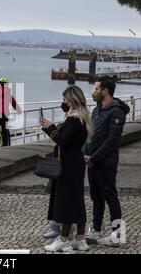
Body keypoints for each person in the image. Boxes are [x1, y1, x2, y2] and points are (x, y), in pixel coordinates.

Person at [40, 86, 92, 252]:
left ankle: (63, 239)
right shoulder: (82, 118)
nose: (63, 103)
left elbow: (63, 141)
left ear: (72, 100)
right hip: (75, 162)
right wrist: (52, 127)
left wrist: (50, 128)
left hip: (69, 164)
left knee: (67, 201)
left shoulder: (74, 119)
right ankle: (80, 239)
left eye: (64, 100)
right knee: (77, 200)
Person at [84, 76, 129, 247]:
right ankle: (96, 229)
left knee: (111, 197)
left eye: (96, 88)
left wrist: (93, 158)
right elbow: (89, 136)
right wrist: (85, 155)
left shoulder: (116, 112)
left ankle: (117, 235)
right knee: (96, 197)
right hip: (92, 162)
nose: (94, 91)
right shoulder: (97, 110)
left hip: (106, 163)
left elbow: (112, 141)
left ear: (105, 91)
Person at [0, 78, 22, 146]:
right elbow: (13, 103)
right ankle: (0, 140)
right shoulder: (7, 93)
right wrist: (19, 111)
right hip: (1, 113)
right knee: (4, 126)